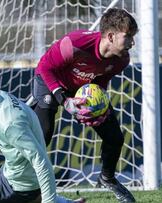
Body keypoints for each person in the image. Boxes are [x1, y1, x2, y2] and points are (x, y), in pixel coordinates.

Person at [30, 8, 138, 203]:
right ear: (111, 36)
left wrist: (99, 104)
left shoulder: (122, 60)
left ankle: (107, 178)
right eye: (128, 36)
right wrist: (64, 99)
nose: (133, 42)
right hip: (50, 81)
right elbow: (46, 68)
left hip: (81, 89)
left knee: (114, 137)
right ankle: (10, 180)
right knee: (42, 135)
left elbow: (100, 80)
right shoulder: (76, 43)